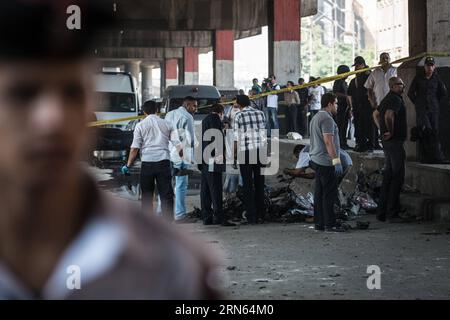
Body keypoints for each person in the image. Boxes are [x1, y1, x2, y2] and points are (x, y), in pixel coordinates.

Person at [0, 0, 221, 299]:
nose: (51, 120)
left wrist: (135, 162)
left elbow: (142, 145)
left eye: (72, 93)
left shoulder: (172, 267)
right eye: (23, 94)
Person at [122, 101, 182, 220]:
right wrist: (181, 161)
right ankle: (168, 224)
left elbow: (135, 148)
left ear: (144, 111)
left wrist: (127, 165)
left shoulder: (140, 125)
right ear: (157, 110)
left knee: (147, 195)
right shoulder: (167, 124)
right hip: (163, 162)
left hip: (147, 164)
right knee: (166, 194)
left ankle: (147, 223)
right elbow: (178, 145)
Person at [373, 77, 409, 223]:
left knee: (388, 176)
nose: (403, 86)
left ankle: (381, 212)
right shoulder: (395, 99)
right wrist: (390, 131)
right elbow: (388, 115)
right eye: (400, 84)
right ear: (393, 86)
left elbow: (375, 114)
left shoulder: (386, 98)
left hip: (387, 144)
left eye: (403, 83)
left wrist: (381, 130)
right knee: (397, 176)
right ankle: (393, 213)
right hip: (394, 143)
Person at [309, 93, 346, 232]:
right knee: (329, 194)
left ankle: (319, 223)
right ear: (330, 104)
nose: (337, 106)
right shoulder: (327, 119)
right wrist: (336, 161)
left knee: (319, 193)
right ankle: (330, 224)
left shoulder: (316, 117)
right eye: (335, 103)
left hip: (316, 159)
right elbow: (328, 142)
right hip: (325, 161)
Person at [199, 104, 236, 226]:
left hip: (204, 159)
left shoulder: (205, 120)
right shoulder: (215, 120)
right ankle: (219, 217)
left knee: (205, 189)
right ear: (221, 113)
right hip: (213, 158)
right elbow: (217, 138)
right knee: (215, 188)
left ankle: (206, 217)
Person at [233, 95, 267, 224]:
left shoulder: (239, 116)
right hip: (260, 151)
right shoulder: (261, 113)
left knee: (247, 184)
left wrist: (234, 155)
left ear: (239, 104)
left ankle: (251, 216)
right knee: (259, 183)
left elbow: (236, 137)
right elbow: (263, 132)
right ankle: (261, 214)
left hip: (246, 151)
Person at [408, 56, 448, 163]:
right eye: (427, 66)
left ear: (434, 67)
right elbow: (410, 93)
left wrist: (434, 102)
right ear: (424, 67)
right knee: (425, 131)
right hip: (422, 110)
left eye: (431, 66)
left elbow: (442, 92)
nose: (429, 68)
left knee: (434, 132)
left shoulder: (437, 78)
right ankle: (424, 157)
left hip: (433, 109)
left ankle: (436, 157)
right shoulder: (418, 78)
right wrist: (418, 104)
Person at [164, 96, 198, 222]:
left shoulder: (169, 114)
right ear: (187, 105)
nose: (196, 108)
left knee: (166, 185)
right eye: (194, 106)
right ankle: (180, 215)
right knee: (181, 185)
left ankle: (162, 214)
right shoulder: (187, 117)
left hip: (168, 152)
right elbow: (191, 139)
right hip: (182, 154)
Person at [365, 52, 398, 150]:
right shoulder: (375, 72)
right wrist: (371, 100)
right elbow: (369, 88)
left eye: (386, 58)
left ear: (390, 59)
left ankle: (393, 145)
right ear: (380, 60)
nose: (384, 60)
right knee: (382, 126)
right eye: (382, 58)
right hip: (379, 103)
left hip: (393, 103)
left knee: (392, 124)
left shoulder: (395, 70)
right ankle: (386, 147)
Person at [348, 56, 373, 152]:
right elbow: (350, 95)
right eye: (355, 66)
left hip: (367, 105)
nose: (356, 68)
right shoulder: (355, 79)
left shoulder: (368, 75)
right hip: (357, 106)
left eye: (358, 66)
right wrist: (351, 107)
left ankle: (369, 144)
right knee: (358, 126)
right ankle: (360, 143)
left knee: (367, 125)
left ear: (363, 65)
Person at [284, 144, 352, 179]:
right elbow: (315, 175)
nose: (299, 160)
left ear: (298, 152)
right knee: (332, 188)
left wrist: (287, 171)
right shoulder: (314, 149)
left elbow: (296, 172)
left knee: (325, 191)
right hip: (348, 161)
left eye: (297, 157)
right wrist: (301, 175)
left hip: (338, 162)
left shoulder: (304, 152)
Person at [333, 65, 352, 149]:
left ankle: (344, 142)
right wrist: (346, 96)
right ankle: (340, 143)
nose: (348, 75)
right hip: (340, 107)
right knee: (340, 126)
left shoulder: (344, 82)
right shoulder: (338, 81)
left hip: (346, 107)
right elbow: (336, 93)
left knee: (345, 126)